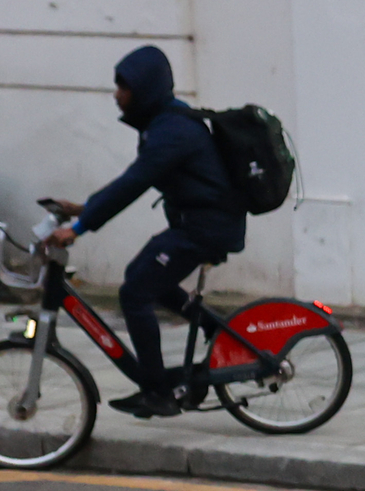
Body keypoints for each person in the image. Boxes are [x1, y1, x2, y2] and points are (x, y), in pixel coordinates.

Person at [39, 45, 245, 417]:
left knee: (135, 292)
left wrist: (81, 227)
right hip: (200, 224)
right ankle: (217, 330)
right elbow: (138, 180)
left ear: (145, 88)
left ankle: (157, 391)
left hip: (205, 228)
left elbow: (134, 182)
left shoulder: (171, 130)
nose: (117, 94)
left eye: (124, 86)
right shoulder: (164, 122)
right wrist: (83, 209)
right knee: (144, 277)